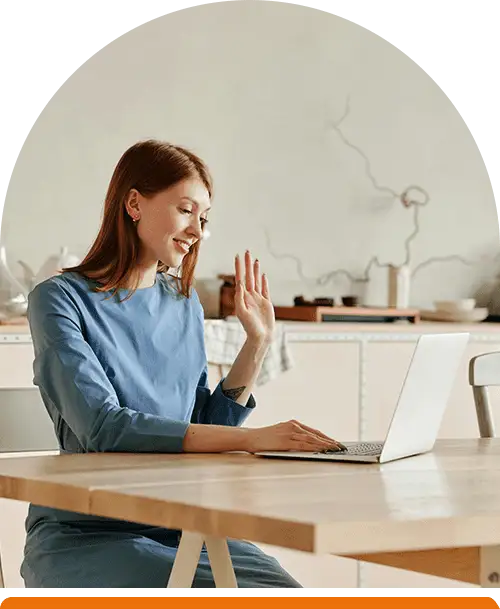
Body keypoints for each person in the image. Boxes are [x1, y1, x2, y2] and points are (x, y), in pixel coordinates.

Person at [21, 139, 344, 593]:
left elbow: (201, 429)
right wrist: (252, 439)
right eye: (186, 210)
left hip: (182, 524)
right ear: (134, 202)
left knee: (283, 594)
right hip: (89, 535)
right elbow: (102, 427)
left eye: (204, 218)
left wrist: (257, 342)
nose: (197, 230)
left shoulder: (183, 302)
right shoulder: (59, 299)